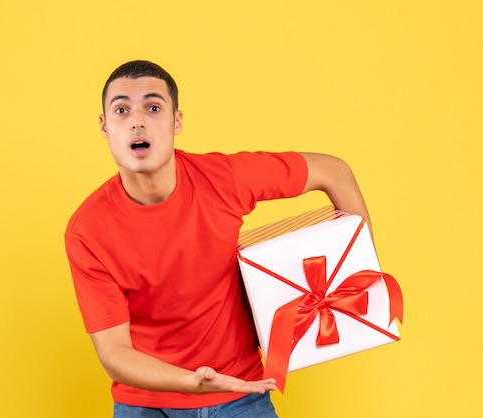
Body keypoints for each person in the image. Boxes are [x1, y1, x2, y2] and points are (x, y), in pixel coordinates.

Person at [65, 60, 372, 417]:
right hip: (146, 404)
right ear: (104, 126)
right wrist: (194, 382)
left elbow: (334, 172)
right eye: (122, 110)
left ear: (176, 121)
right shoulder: (88, 230)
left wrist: (363, 280)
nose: (137, 121)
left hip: (242, 394)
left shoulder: (223, 180)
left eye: (153, 107)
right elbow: (114, 354)